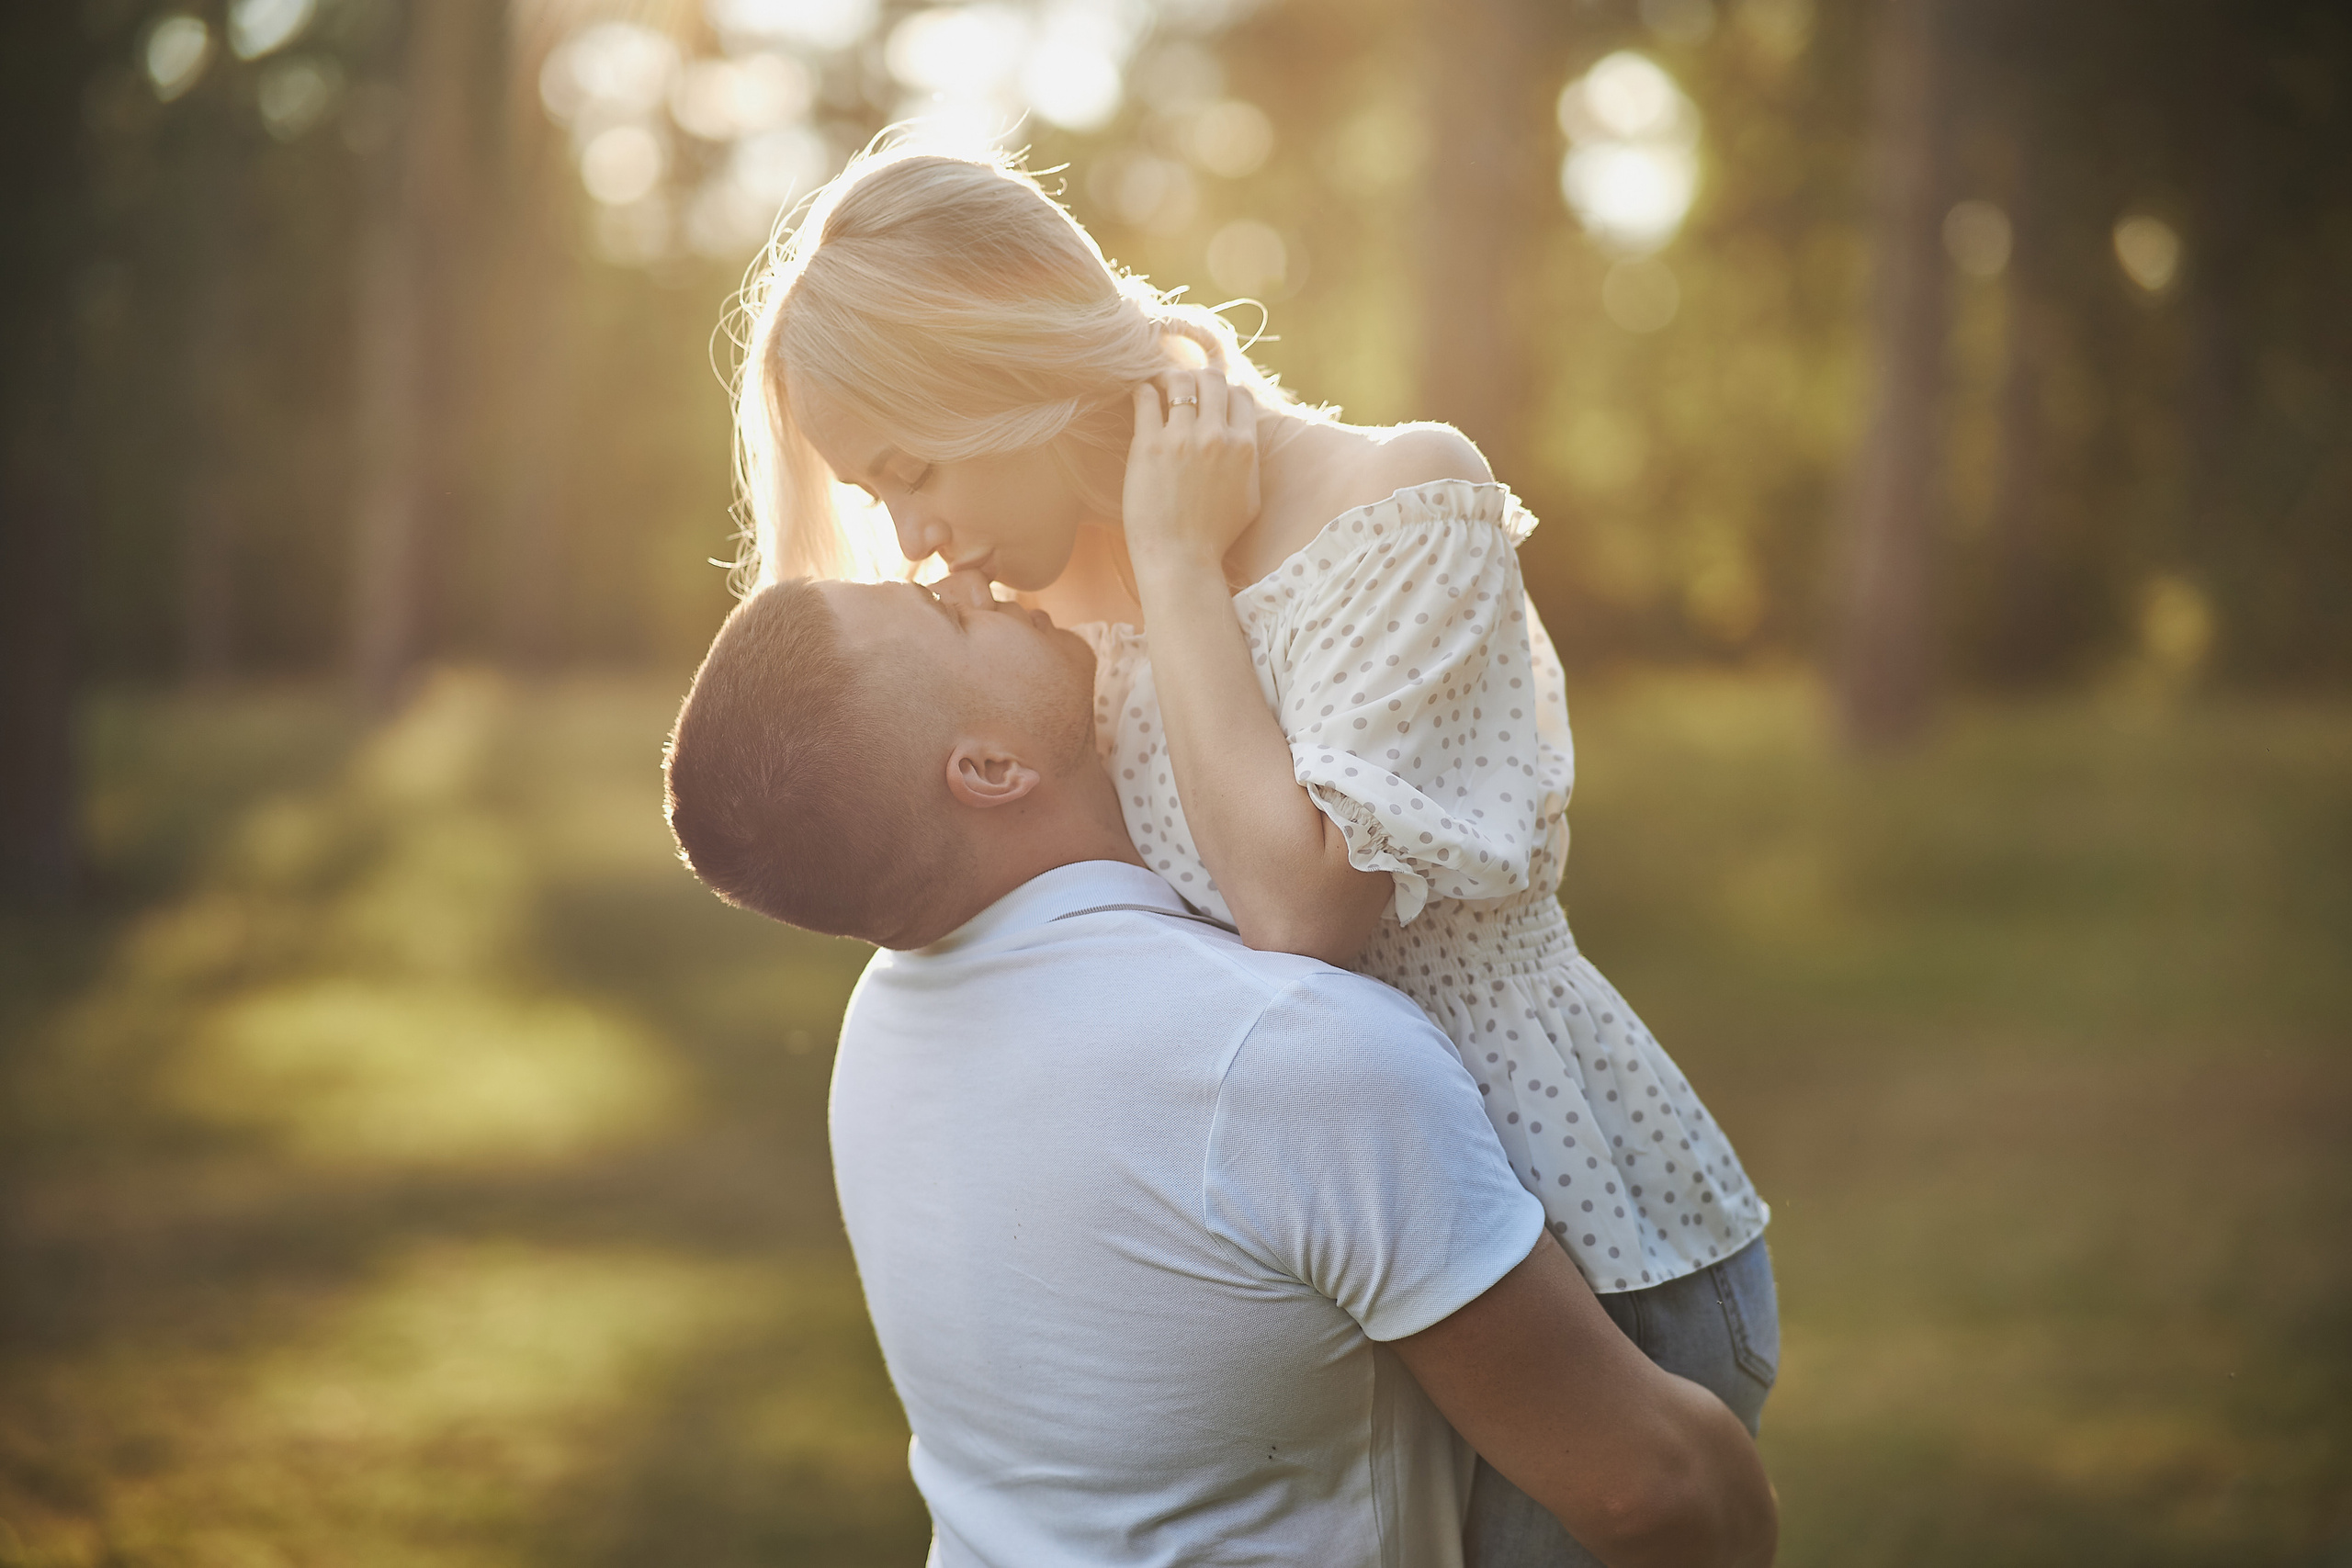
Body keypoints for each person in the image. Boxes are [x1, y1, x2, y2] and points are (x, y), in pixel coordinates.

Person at [732, 144, 1777, 1562]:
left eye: (914, 473)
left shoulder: (1393, 504)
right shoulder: (1042, 625)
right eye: (880, 495)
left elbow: (1296, 916)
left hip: (1571, 1268)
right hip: (1321, 1288)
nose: (916, 542)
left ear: (1015, 362)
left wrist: (1177, 570)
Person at [662, 575, 1777, 1568]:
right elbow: (1647, 1489)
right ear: (990, 768)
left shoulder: (882, 1026)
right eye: (947, 615)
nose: (969, 579)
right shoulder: (1279, 1054)